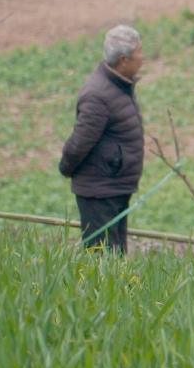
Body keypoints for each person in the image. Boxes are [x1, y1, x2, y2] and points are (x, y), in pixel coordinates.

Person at [57, 25, 147, 253]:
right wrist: (66, 169)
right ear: (124, 59)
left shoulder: (118, 85)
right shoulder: (99, 94)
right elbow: (79, 143)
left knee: (114, 258)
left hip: (114, 187)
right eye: (139, 52)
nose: (143, 57)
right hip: (100, 191)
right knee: (101, 262)